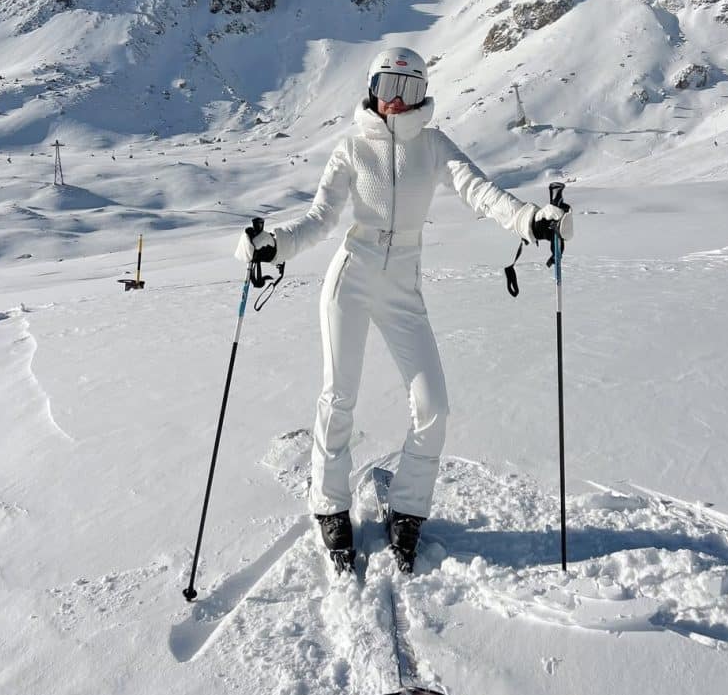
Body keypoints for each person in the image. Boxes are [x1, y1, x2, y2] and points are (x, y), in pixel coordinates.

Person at [235, 47, 572, 573]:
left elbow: (480, 192)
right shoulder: (350, 149)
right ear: (371, 88)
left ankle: (408, 509)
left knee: (433, 402)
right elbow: (321, 219)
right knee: (339, 395)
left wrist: (533, 221)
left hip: (403, 287)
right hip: (352, 276)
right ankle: (329, 504)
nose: (396, 100)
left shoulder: (433, 146)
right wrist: (272, 245)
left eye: (409, 90)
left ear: (422, 95)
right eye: (388, 86)